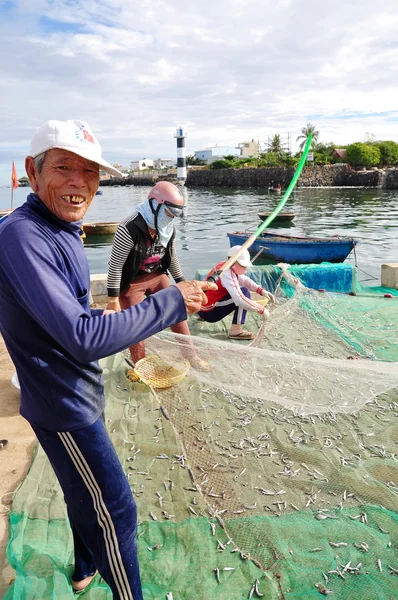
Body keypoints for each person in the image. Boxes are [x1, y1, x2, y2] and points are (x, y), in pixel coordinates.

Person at [0, 119, 216, 599]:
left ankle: (82, 567)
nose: (80, 182)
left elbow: (75, 315)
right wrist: (170, 301)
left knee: (84, 494)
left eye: (90, 172)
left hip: (75, 389)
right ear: (33, 177)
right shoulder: (23, 235)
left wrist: (194, 295)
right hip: (64, 404)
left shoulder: (60, 227)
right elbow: (82, 336)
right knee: (116, 510)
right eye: (63, 168)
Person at [106, 181, 209, 370]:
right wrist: (113, 300)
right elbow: (115, 266)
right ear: (155, 203)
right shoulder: (128, 228)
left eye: (175, 214)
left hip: (156, 275)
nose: (171, 218)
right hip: (131, 283)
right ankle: (140, 366)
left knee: (176, 309)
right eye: (169, 212)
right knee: (136, 326)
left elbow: (173, 258)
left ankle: (190, 355)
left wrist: (184, 285)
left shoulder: (168, 228)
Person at [198, 245, 275, 340]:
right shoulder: (226, 272)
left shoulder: (224, 265)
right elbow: (239, 299)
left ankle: (203, 316)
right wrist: (262, 310)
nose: (244, 268)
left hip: (202, 309)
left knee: (241, 291)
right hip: (209, 313)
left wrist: (261, 291)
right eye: (243, 265)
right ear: (234, 262)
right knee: (244, 293)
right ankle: (235, 330)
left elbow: (244, 280)